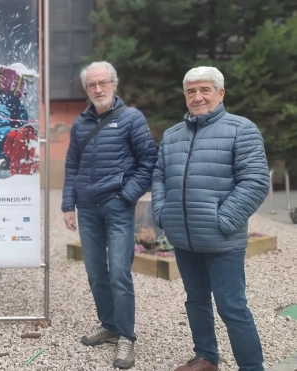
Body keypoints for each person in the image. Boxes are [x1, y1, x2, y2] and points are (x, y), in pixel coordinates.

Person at [151, 66, 269, 371]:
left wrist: (224, 220)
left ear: (220, 93)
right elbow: (160, 177)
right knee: (196, 300)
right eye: (191, 91)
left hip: (223, 240)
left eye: (205, 89)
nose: (197, 97)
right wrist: (163, 213)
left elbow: (255, 181)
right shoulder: (172, 135)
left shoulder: (241, 129)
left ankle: (251, 366)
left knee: (232, 307)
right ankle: (205, 357)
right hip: (184, 239)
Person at [61, 61, 157, 369]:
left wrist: (126, 196)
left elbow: (148, 163)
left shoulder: (132, 119)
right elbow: (72, 167)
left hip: (117, 207)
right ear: (86, 89)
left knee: (119, 272)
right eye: (92, 85)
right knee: (94, 272)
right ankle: (110, 324)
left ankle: (126, 337)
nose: (98, 89)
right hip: (87, 209)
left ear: (114, 84)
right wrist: (67, 205)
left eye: (103, 83)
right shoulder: (79, 124)